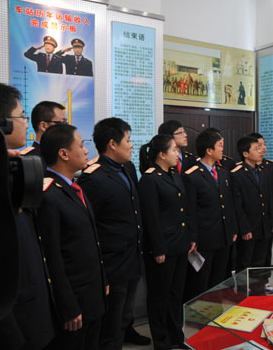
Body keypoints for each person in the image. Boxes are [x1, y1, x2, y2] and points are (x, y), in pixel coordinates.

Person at [0, 83, 58, 350]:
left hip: (30, 302)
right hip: (10, 315)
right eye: (21, 116)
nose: (25, 124)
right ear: (2, 122)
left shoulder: (13, 168)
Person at [78, 118, 150, 349]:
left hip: (132, 259)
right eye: (127, 140)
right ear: (112, 144)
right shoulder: (93, 177)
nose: (131, 145)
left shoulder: (126, 168)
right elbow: (90, 227)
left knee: (124, 319)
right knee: (110, 325)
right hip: (112, 264)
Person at [36, 124, 108, 350]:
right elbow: (52, 257)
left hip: (92, 294)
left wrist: (103, 279)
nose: (87, 151)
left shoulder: (75, 188)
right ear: (63, 154)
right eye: (81, 145)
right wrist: (67, 306)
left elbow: (91, 241)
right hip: (74, 302)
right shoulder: (49, 196)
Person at [138, 134, 195, 349]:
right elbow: (151, 218)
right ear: (162, 154)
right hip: (162, 248)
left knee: (175, 295)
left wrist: (189, 238)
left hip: (179, 245)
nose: (177, 153)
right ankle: (161, 340)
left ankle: (175, 336)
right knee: (159, 296)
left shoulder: (173, 175)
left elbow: (183, 211)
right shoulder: (150, 178)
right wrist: (158, 248)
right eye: (173, 150)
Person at [182, 128, 237, 300]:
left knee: (218, 281)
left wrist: (232, 229)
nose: (223, 149)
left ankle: (215, 315)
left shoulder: (223, 173)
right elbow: (190, 210)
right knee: (201, 283)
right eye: (220, 146)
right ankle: (198, 321)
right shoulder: (192, 175)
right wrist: (193, 238)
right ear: (209, 150)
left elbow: (228, 205)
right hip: (205, 239)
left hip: (224, 236)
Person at [231, 136, 273, 278]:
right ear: (245, 154)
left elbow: (268, 199)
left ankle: (259, 294)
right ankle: (244, 295)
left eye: (260, 148)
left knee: (261, 263)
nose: (260, 151)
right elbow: (237, 205)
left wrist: (272, 222)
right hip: (249, 228)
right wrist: (244, 228)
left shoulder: (263, 172)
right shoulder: (237, 174)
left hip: (264, 226)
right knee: (245, 263)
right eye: (256, 149)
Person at [248, 132, 273, 293]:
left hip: (270, 217)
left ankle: (265, 279)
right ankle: (251, 283)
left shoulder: (272, 167)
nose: (263, 148)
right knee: (253, 253)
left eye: (263, 145)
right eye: (258, 146)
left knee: (267, 250)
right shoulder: (245, 168)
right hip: (253, 219)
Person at [21, 100, 67, 169]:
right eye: (63, 123)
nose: (67, 128)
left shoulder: (59, 155)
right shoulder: (29, 161)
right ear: (43, 126)